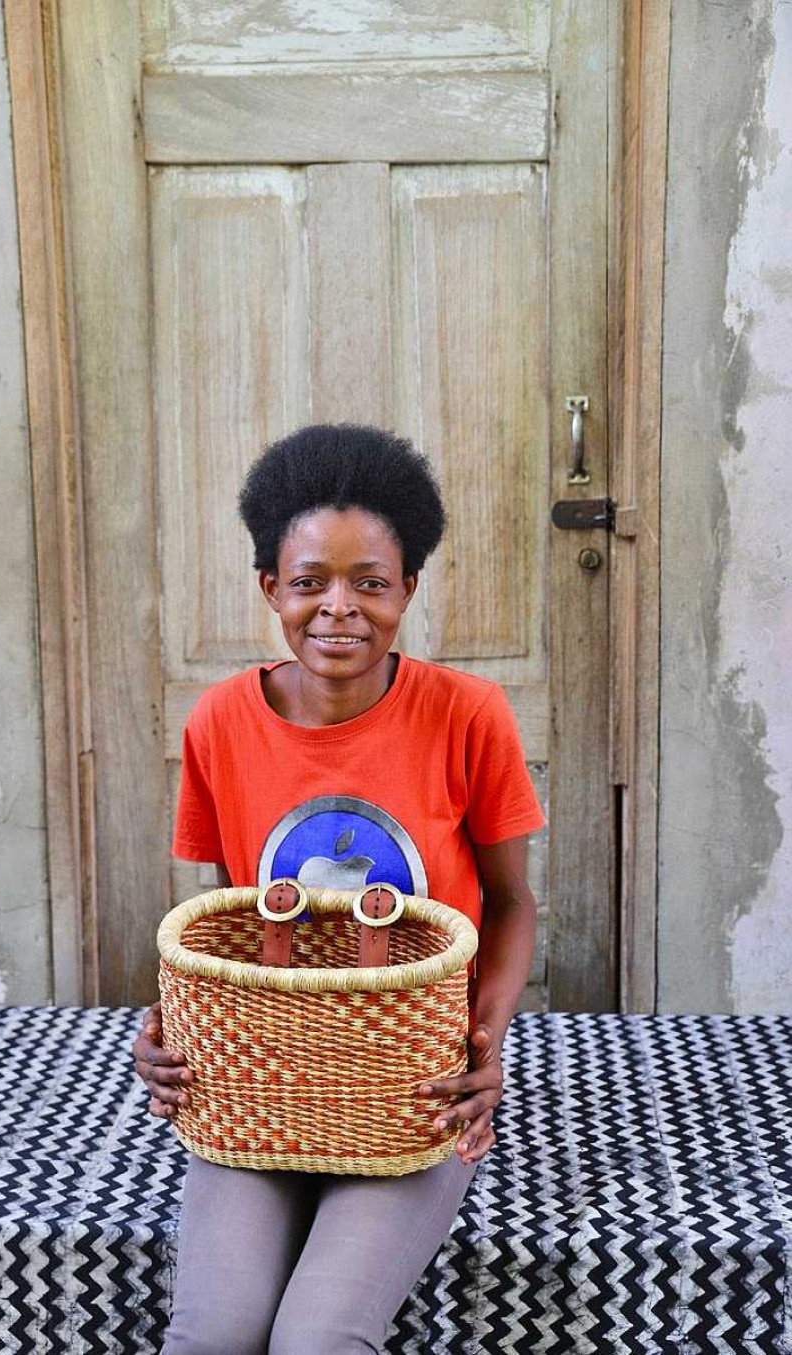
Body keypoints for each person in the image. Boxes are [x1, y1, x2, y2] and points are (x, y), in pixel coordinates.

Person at [134, 423, 544, 1354]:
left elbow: (512, 904)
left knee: (318, 1337)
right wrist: (168, 1027)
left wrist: (486, 1040)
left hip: (412, 1087)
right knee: (214, 1334)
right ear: (269, 587)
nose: (339, 609)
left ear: (408, 588)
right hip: (259, 1089)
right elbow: (226, 926)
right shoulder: (219, 723)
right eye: (310, 581)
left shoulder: (467, 714)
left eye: (371, 582)